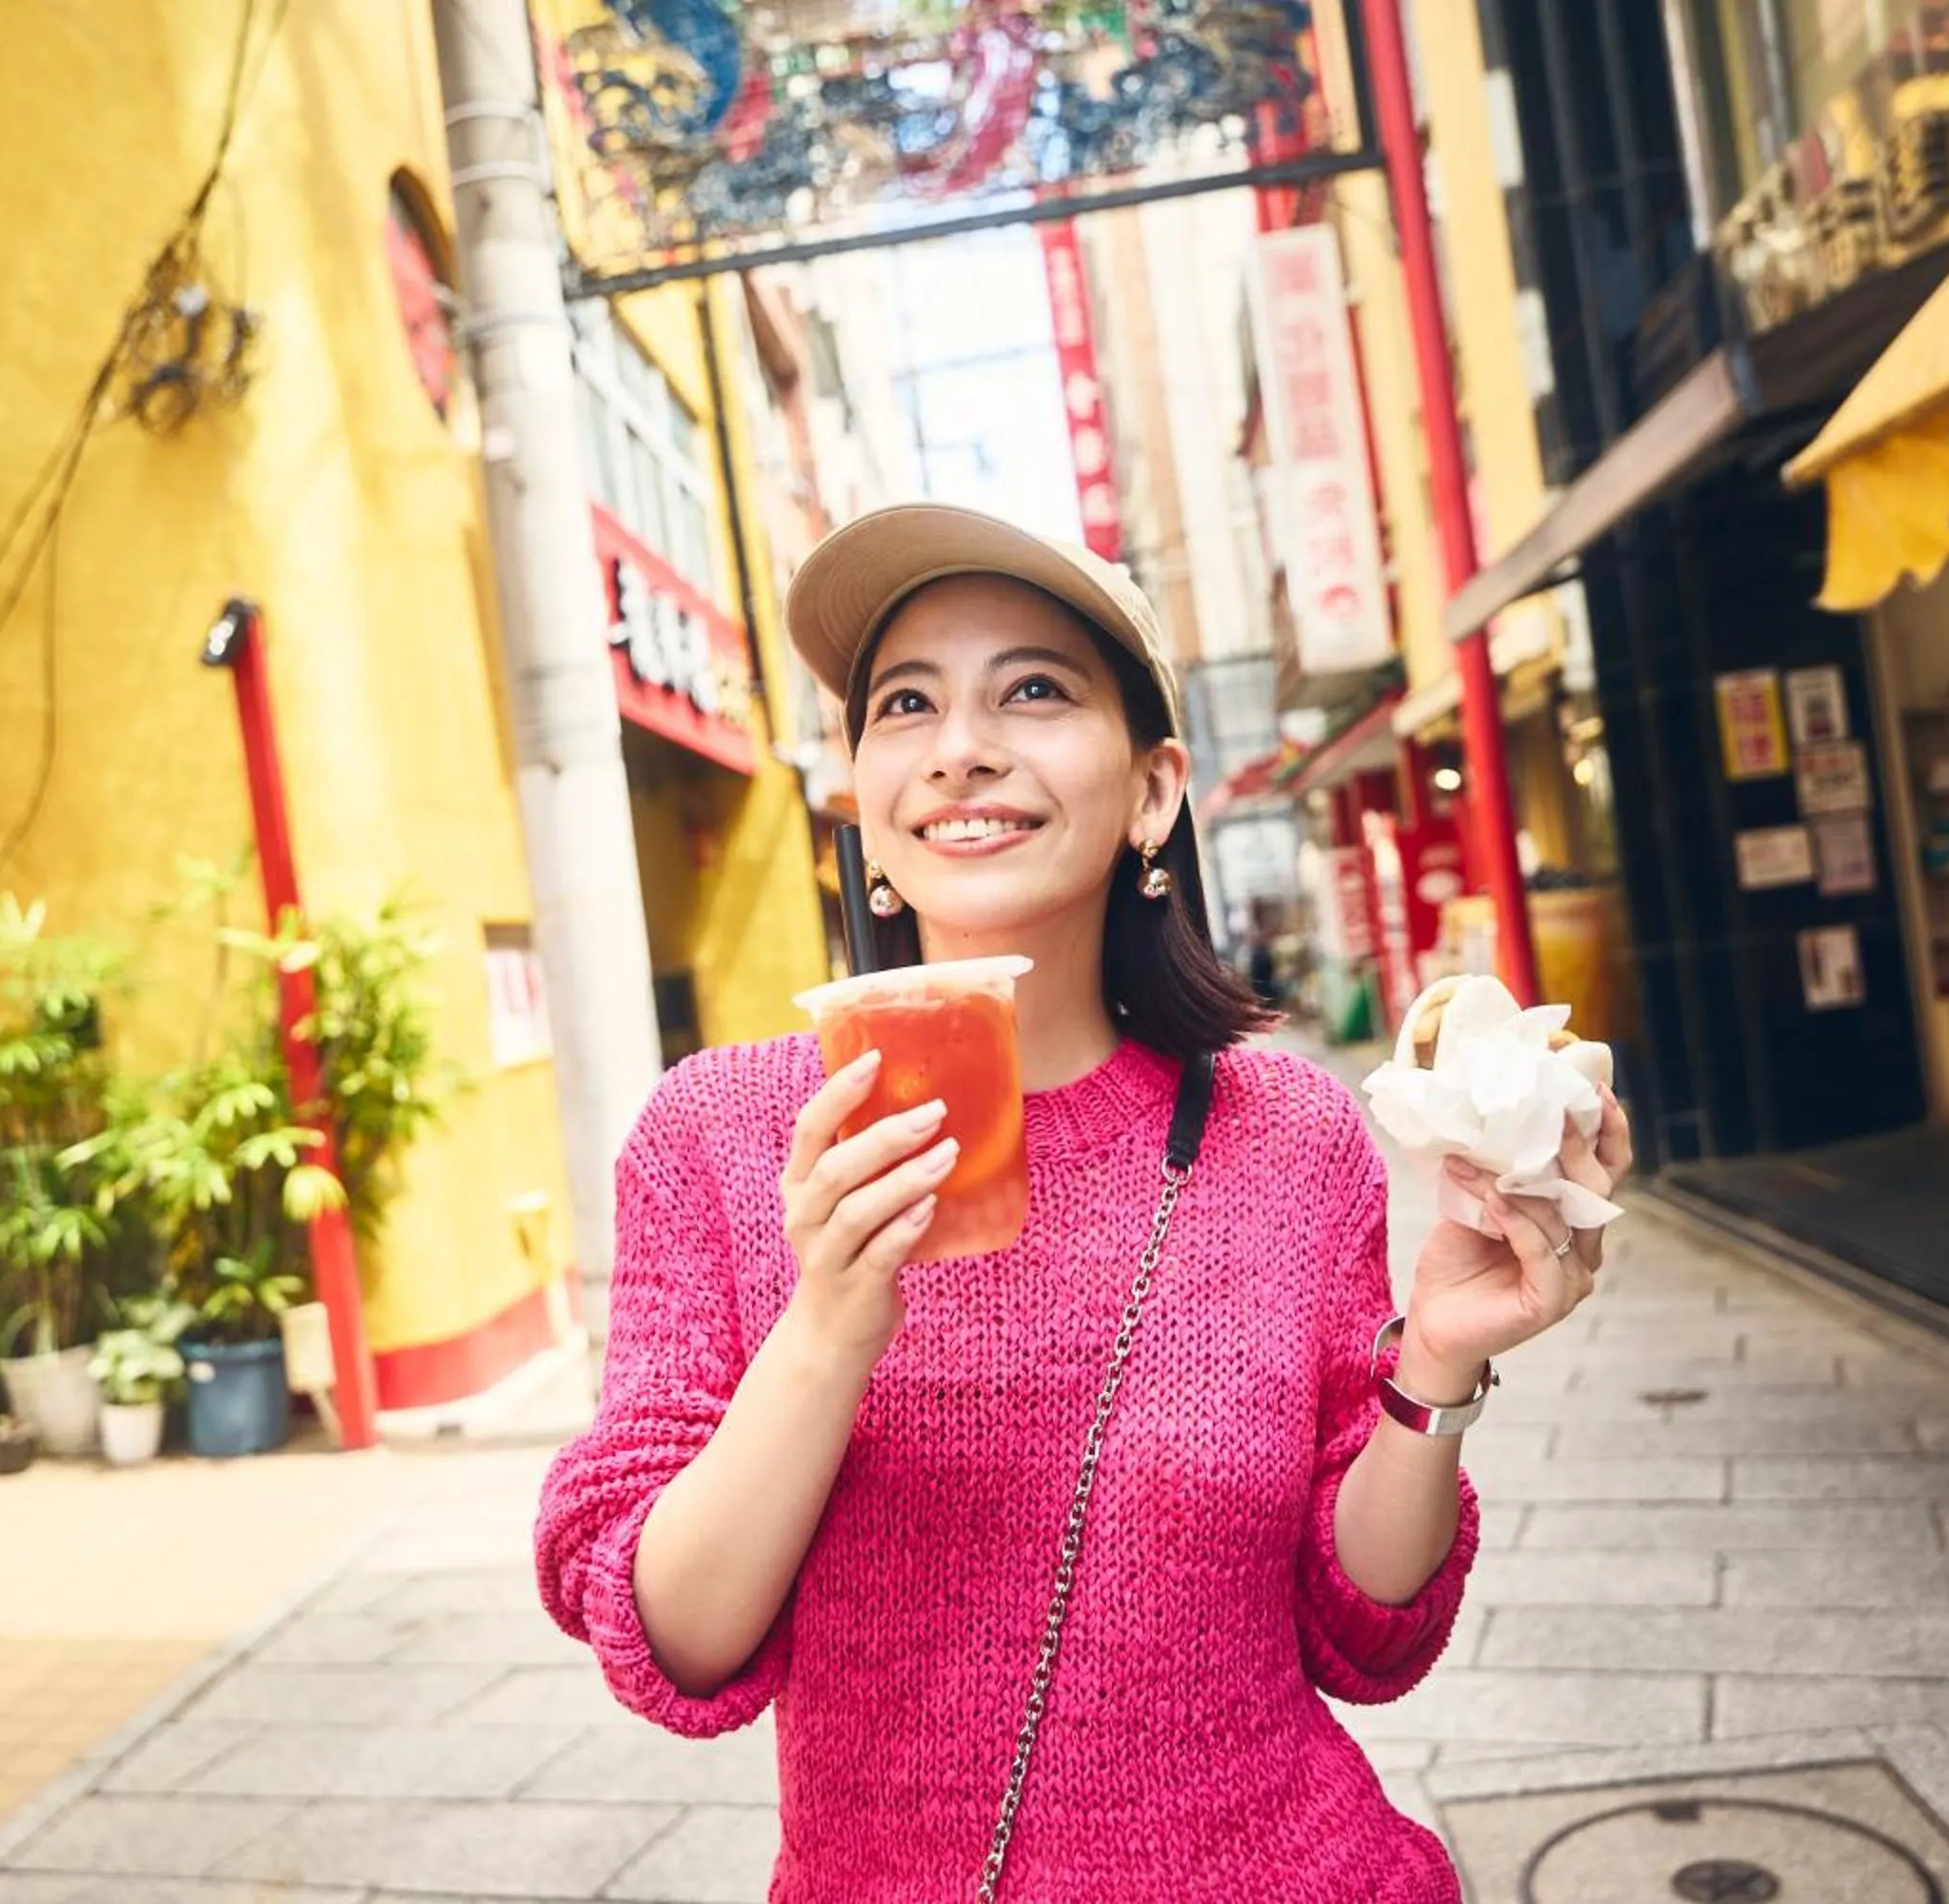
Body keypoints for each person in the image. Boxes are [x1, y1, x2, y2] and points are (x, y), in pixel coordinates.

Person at [534, 503, 1630, 1901]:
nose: (961, 746)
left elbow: (1369, 1631)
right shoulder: (720, 1137)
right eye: (905, 704)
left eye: (1034, 690)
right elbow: (670, 1639)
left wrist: (1439, 1360)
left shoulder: (1285, 1135)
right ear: (864, 804)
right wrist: (827, 1325)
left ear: (1154, 790)